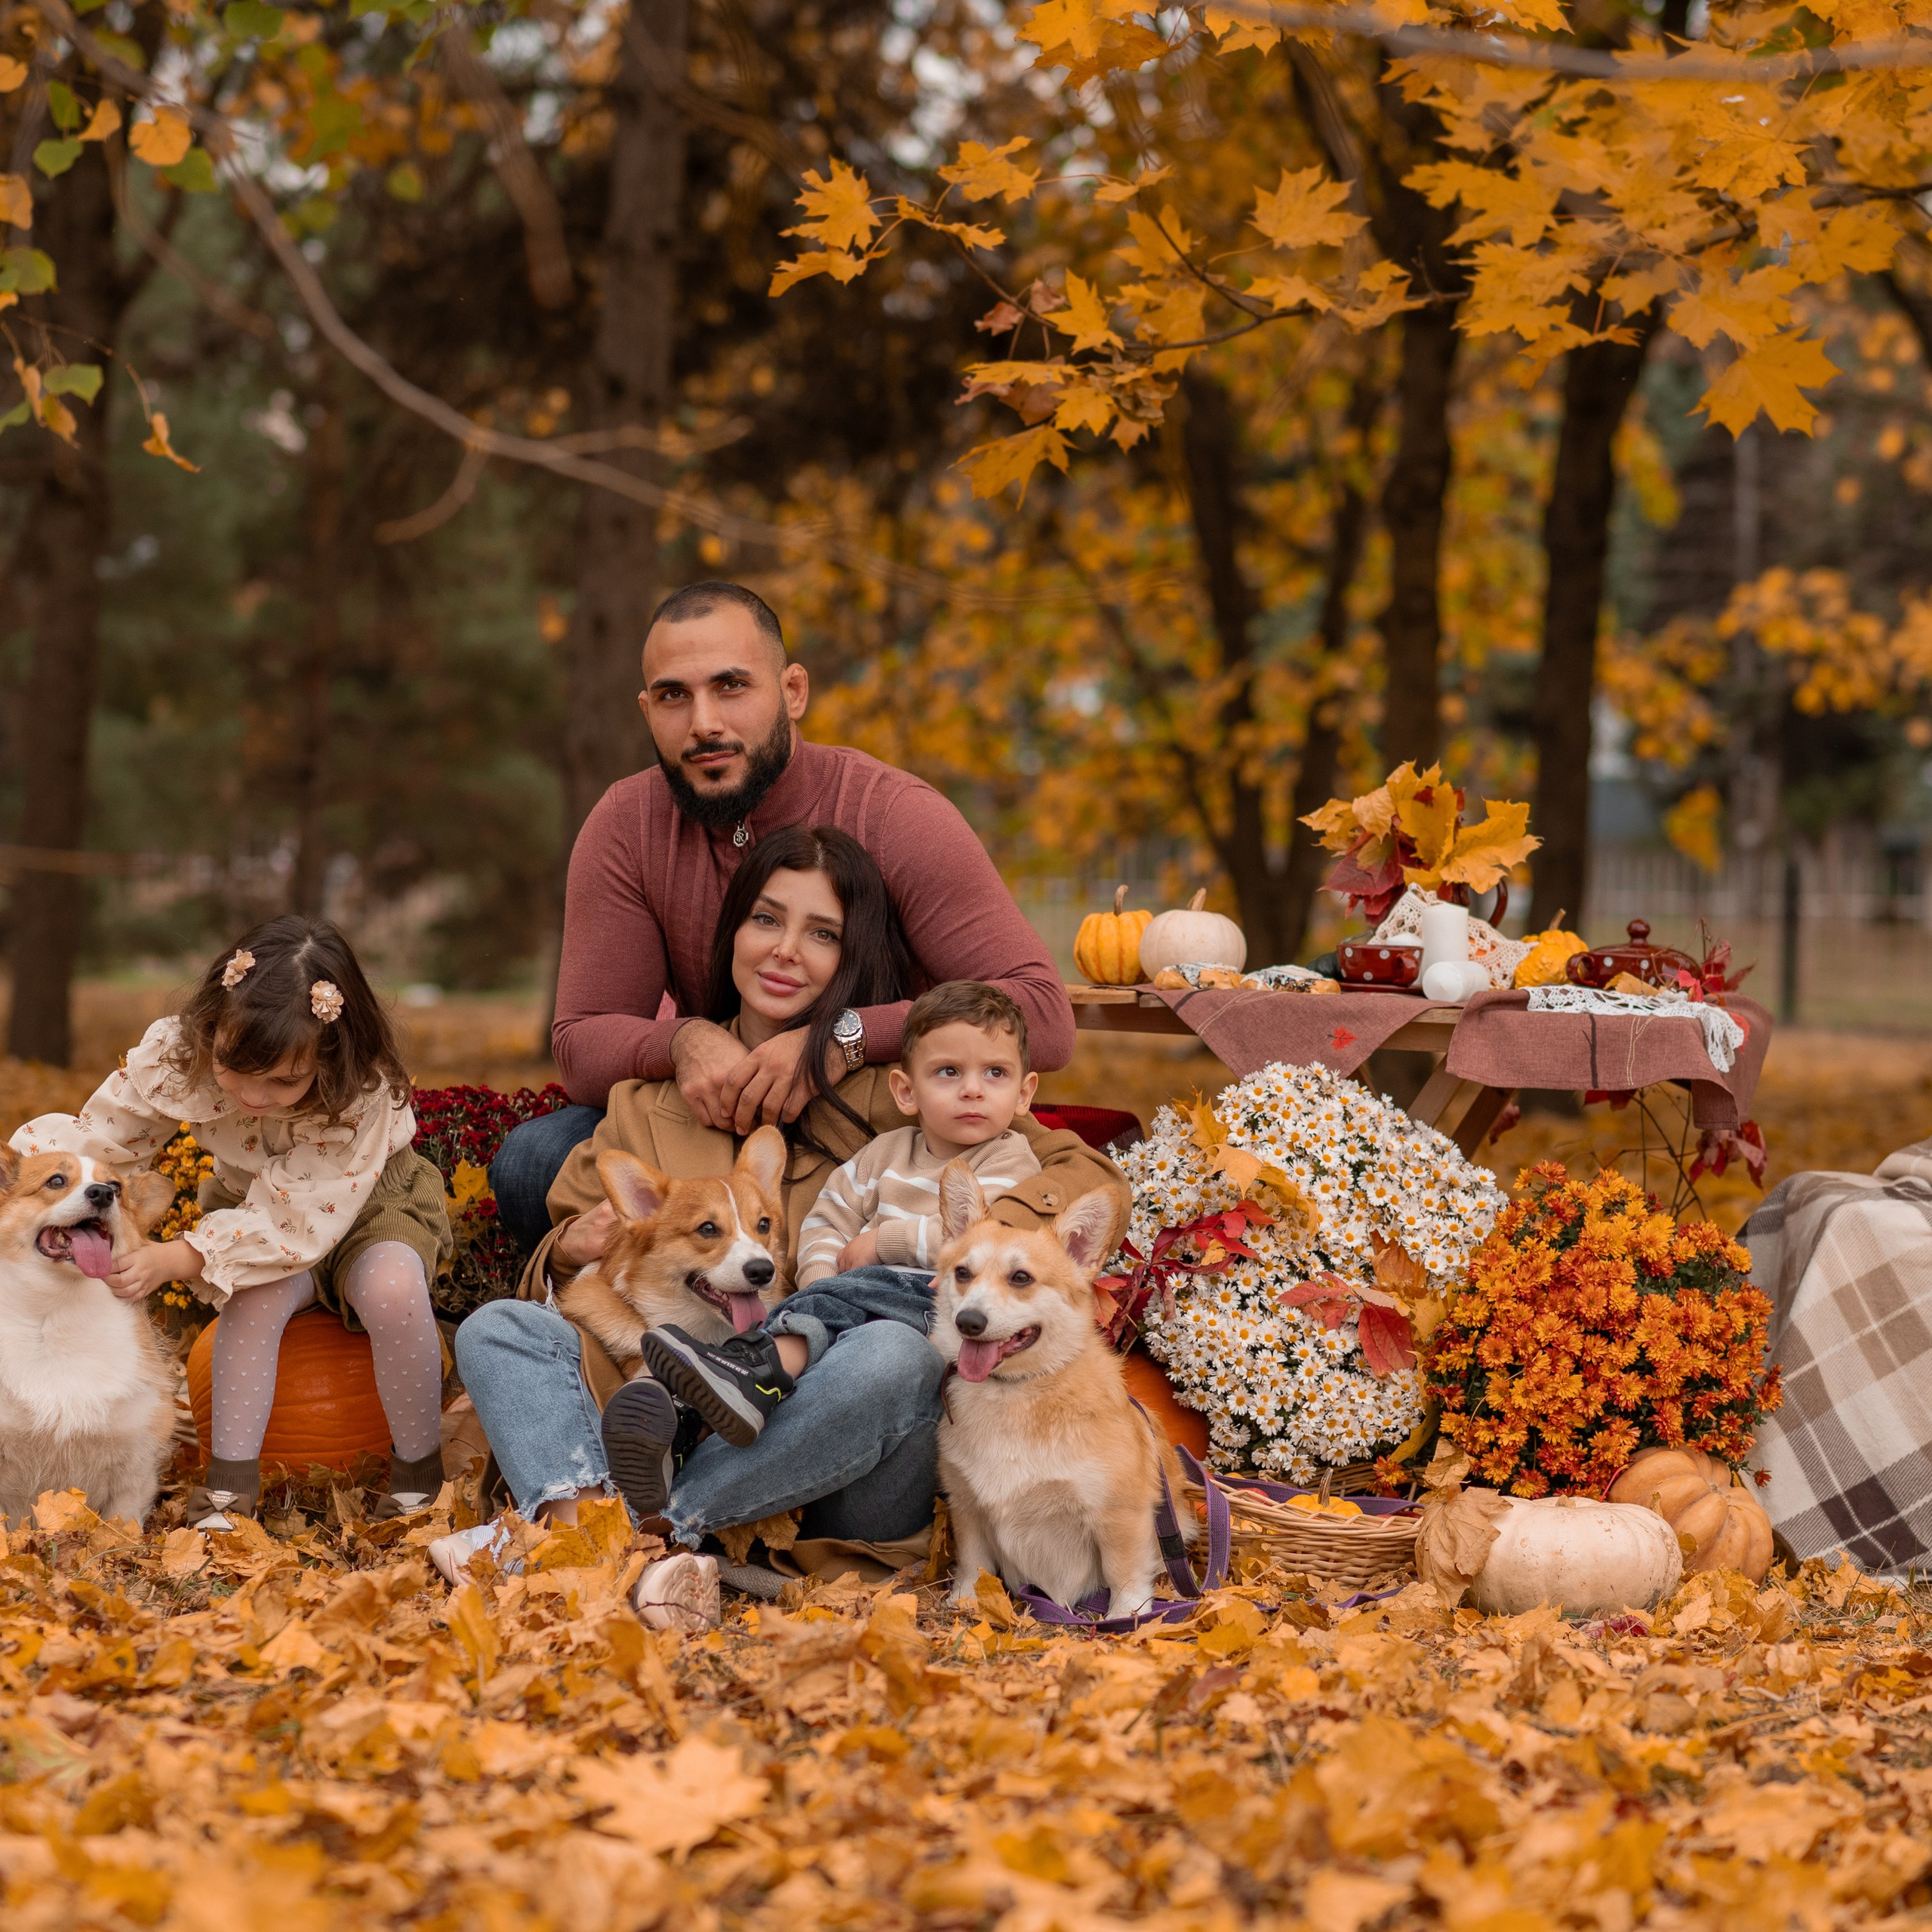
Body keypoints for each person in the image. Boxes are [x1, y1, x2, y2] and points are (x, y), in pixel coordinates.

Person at [443, 832, 1124, 1607]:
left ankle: (629, 1533)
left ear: (852, 956)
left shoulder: (893, 1095)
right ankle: (640, 1550)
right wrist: (570, 1243)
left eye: (823, 933)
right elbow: (563, 1263)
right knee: (496, 1329)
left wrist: (962, 1235)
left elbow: (1080, 1171)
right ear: (731, 932)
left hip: (826, 1439)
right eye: (766, 920)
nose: (786, 952)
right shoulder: (643, 1102)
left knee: (896, 1354)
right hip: (651, 1407)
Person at [488, 578, 1076, 1254]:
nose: (705, 721)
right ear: (647, 709)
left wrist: (838, 1037)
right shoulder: (627, 824)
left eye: (732, 686)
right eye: (675, 696)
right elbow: (583, 1042)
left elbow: (1045, 1016)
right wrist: (682, 1041)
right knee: (533, 1162)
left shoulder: (897, 815)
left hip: (874, 1120)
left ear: (793, 692)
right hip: (718, 1112)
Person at [10, 917, 451, 1529]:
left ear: (329, 1057)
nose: (253, 1095)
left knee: (391, 1290)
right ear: (211, 1028)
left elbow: (296, 1215)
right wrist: (30, 1190)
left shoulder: (360, 1092)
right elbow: (106, 1143)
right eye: (233, 1069)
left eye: (283, 1082)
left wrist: (176, 1257)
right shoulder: (181, 1052)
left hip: (372, 1207)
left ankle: (417, 1475)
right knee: (252, 1299)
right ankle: (228, 1492)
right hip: (252, 1210)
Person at [638, 980, 1042, 1447]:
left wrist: (881, 1244)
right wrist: (820, 1275)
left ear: (1024, 1093)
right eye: (948, 1072)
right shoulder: (883, 1154)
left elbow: (986, 1244)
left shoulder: (1010, 1160)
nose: (973, 1090)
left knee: (829, 1312)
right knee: (816, 1311)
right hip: (853, 1307)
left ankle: (752, 1369)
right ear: (906, 1092)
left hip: (935, 1305)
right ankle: (701, 1425)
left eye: (995, 1073)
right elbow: (828, 1217)